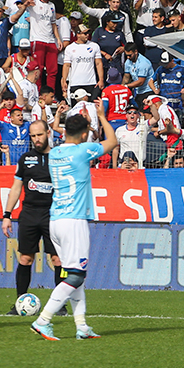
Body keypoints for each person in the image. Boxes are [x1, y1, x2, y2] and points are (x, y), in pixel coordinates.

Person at [30, 100, 118, 340]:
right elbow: (112, 141)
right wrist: (101, 116)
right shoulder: (82, 151)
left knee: (74, 275)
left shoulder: (55, 152)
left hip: (56, 219)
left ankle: (82, 326)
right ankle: (43, 320)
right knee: (77, 276)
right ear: (83, 134)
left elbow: (63, 134)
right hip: (74, 220)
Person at [2, 120, 64, 315]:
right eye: (33, 136)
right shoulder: (25, 158)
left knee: (57, 259)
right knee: (25, 258)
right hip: (29, 213)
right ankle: (19, 302)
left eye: (40, 135)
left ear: (48, 133)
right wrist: (7, 215)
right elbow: (16, 188)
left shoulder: (59, 157)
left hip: (53, 215)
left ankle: (60, 304)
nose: (36, 139)